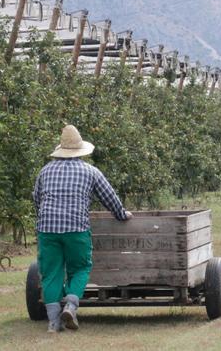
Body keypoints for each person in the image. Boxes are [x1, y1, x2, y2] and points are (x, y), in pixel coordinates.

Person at [33, 124, 132, 333]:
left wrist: (45, 219)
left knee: (51, 273)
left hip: (47, 229)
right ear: (80, 151)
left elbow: (37, 199)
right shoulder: (90, 171)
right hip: (76, 228)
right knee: (80, 268)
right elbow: (109, 198)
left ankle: (53, 323)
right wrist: (122, 214)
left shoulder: (45, 171)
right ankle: (70, 306)